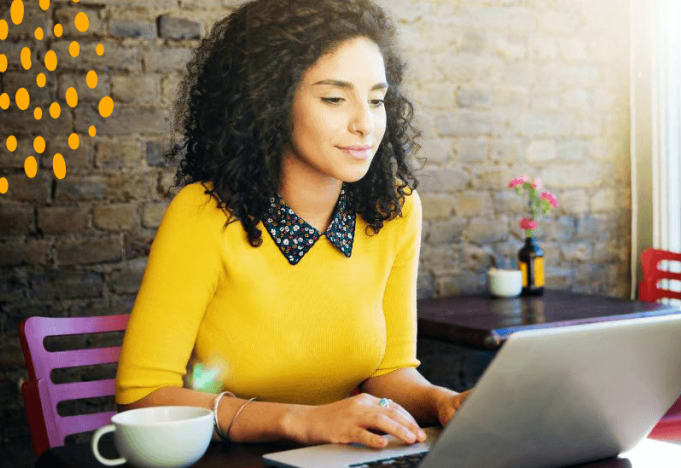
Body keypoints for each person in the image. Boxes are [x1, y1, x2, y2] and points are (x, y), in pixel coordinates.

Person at [114, 0, 468, 449]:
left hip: (343, 456)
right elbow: (142, 395)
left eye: (377, 100)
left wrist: (443, 401)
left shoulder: (394, 211)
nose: (365, 124)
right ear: (270, 102)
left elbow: (389, 372)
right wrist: (302, 420)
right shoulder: (204, 213)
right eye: (334, 99)